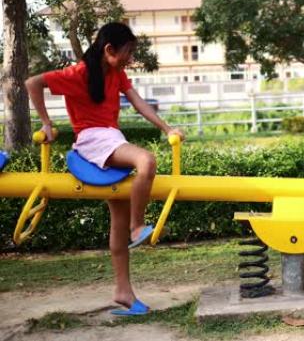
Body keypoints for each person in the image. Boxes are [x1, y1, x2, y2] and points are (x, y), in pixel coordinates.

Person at [25, 22, 184, 316]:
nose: (131, 59)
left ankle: (123, 291)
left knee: (117, 219)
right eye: (128, 52)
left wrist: (166, 127)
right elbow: (32, 83)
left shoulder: (116, 72)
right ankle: (139, 226)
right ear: (109, 49)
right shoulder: (78, 73)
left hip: (111, 138)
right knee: (146, 161)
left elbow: (138, 103)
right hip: (91, 140)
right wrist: (46, 123)